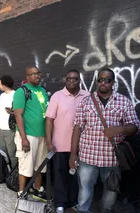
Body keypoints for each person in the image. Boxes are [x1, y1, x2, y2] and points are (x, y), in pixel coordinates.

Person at [69, 67, 140, 213]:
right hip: (88, 157)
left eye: (107, 80)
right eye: (100, 79)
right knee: (84, 193)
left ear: (113, 82)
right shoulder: (86, 101)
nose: (103, 83)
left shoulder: (123, 101)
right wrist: (73, 154)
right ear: (97, 81)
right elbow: (77, 127)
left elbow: (135, 127)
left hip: (112, 159)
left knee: (110, 193)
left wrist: (119, 129)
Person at [45, 70, 89, 213]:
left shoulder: (87, 96)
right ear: (65, 80)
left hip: (81, 146)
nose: (71, 81)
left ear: (79, 80)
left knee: (77, 176)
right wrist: (49, 141)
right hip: (60, 145)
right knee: (60, 175)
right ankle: (60, 203)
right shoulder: (57, 96)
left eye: (75, 79)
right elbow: (49, 120)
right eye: (69, 78)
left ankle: (73, 202)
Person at [13, 65, 49, 198]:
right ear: (27, 77)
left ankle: (37, 189)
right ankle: (22, 191)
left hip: (43, 135)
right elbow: (18, 115)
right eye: (33, 74)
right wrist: (23, 138)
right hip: (28, 135)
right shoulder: (21, 91)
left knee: (40, 165)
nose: (37, 76)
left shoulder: (43, 91)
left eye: (38, 73)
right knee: (25, 164)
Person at [0, 75, 17, 169]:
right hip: (1, 127)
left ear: (5, 85)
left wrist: (12, 111)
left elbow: (20, 111)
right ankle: (5, 172)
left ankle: (14, 173)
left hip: (10, 128)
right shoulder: (2, 95)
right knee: (3, 152)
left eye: (0, 84)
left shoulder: (15, 94)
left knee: (12, 152)